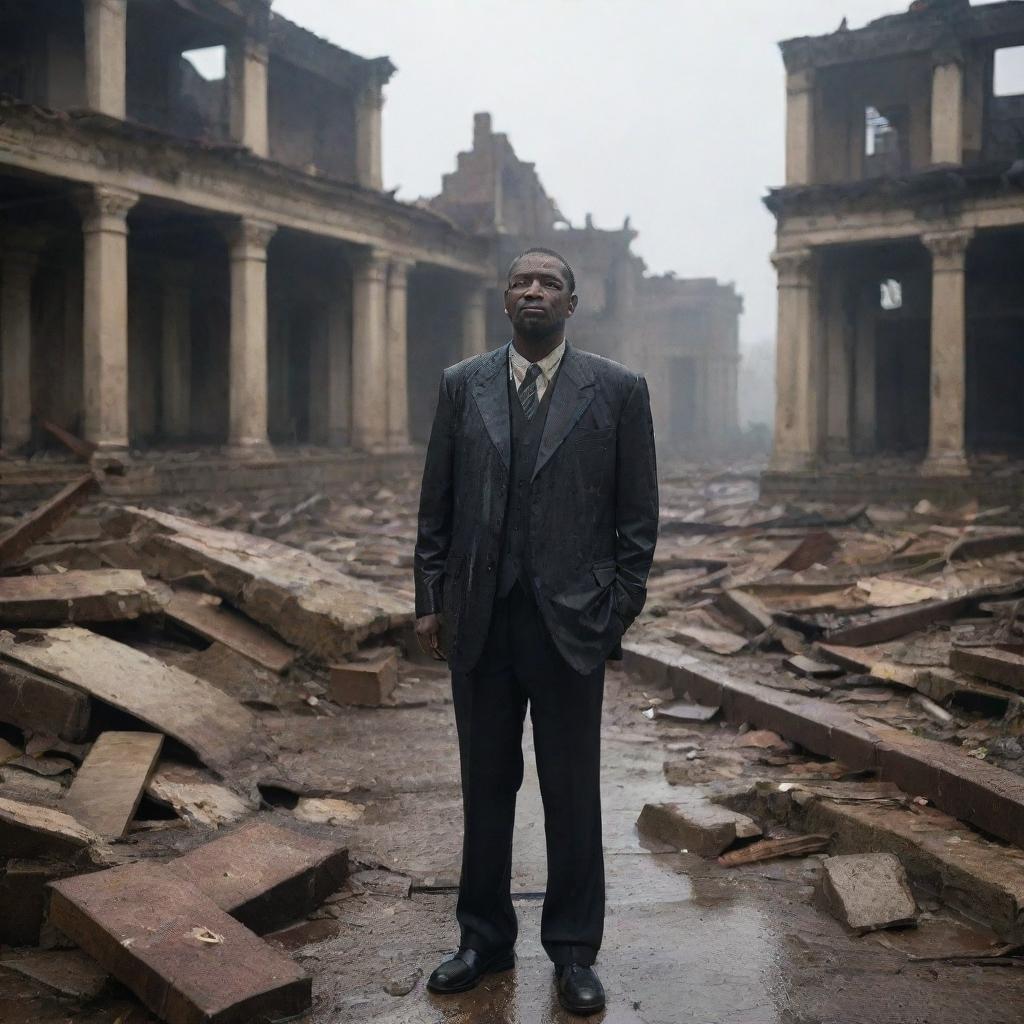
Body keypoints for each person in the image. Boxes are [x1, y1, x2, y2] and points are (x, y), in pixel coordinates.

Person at [414, 247, 659, 1016]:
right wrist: (431, 602)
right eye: (520, 281)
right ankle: (482, 939)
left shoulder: (617, 391)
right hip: (480, 621)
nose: (533, 291)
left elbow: (637, 520)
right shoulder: (464, 386)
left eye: (549, 283)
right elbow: (437, 507)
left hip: (570, 628)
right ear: (504, 300)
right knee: (486, 787)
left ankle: (575, 951)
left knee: (571, 790)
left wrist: (613, 611)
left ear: (571, 304)